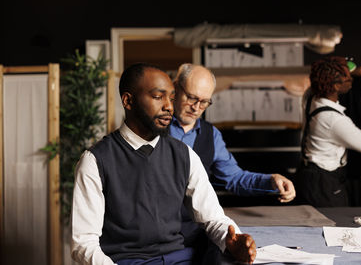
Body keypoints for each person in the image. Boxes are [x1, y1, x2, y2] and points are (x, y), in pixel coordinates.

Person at [71, 63, 257, 265]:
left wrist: (232, 240)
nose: (168, 106)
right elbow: (84, 244)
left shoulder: (185, 155)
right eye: (158, 97)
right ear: (128, 101)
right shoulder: (94, 161)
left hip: (180, 259)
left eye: (171, 97)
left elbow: (213, 218)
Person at [170, 63, 296, 201]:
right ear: (175, 87)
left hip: (191, 220)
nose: (196, 108)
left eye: (204, 102)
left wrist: (271, 180)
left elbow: (235, 178)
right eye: (191, 98)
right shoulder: (152, 127)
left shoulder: (212, 135)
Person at [295, 56, 361, 207]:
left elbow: (325, 76)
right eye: (347, 78)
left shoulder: (311, 95)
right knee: (333, 224)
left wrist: (352, 71)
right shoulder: (333, 120)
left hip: (307, 176)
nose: (351, 79)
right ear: (336, 86)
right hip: (324, 184)